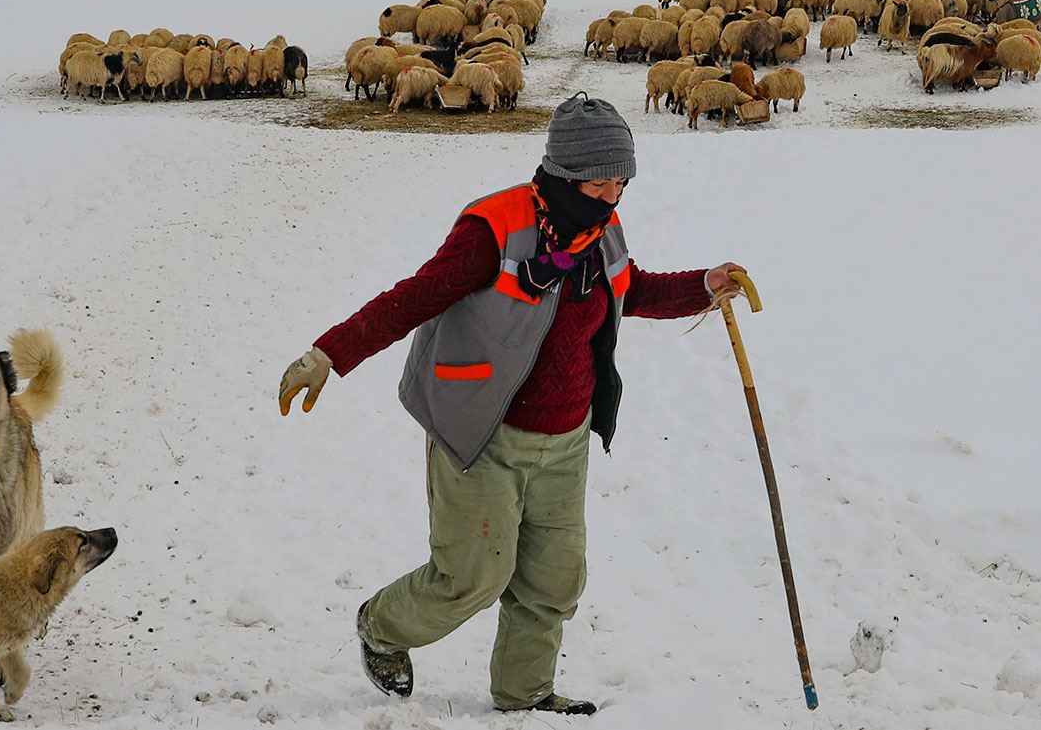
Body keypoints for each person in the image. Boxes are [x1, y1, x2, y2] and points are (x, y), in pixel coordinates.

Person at [279, 93, 746, 716]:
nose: (616, 197)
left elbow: (627, 292)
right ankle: (383, 627)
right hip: (482, 432)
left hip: (567, 436)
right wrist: (330, 354)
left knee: (553, 581)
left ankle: (525, 696)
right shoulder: (493, 229)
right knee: (471, 578)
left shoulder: (600, 230)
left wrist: (702, 287)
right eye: (604, 182)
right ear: (568, 175)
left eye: (623, 182)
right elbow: (415, 297)